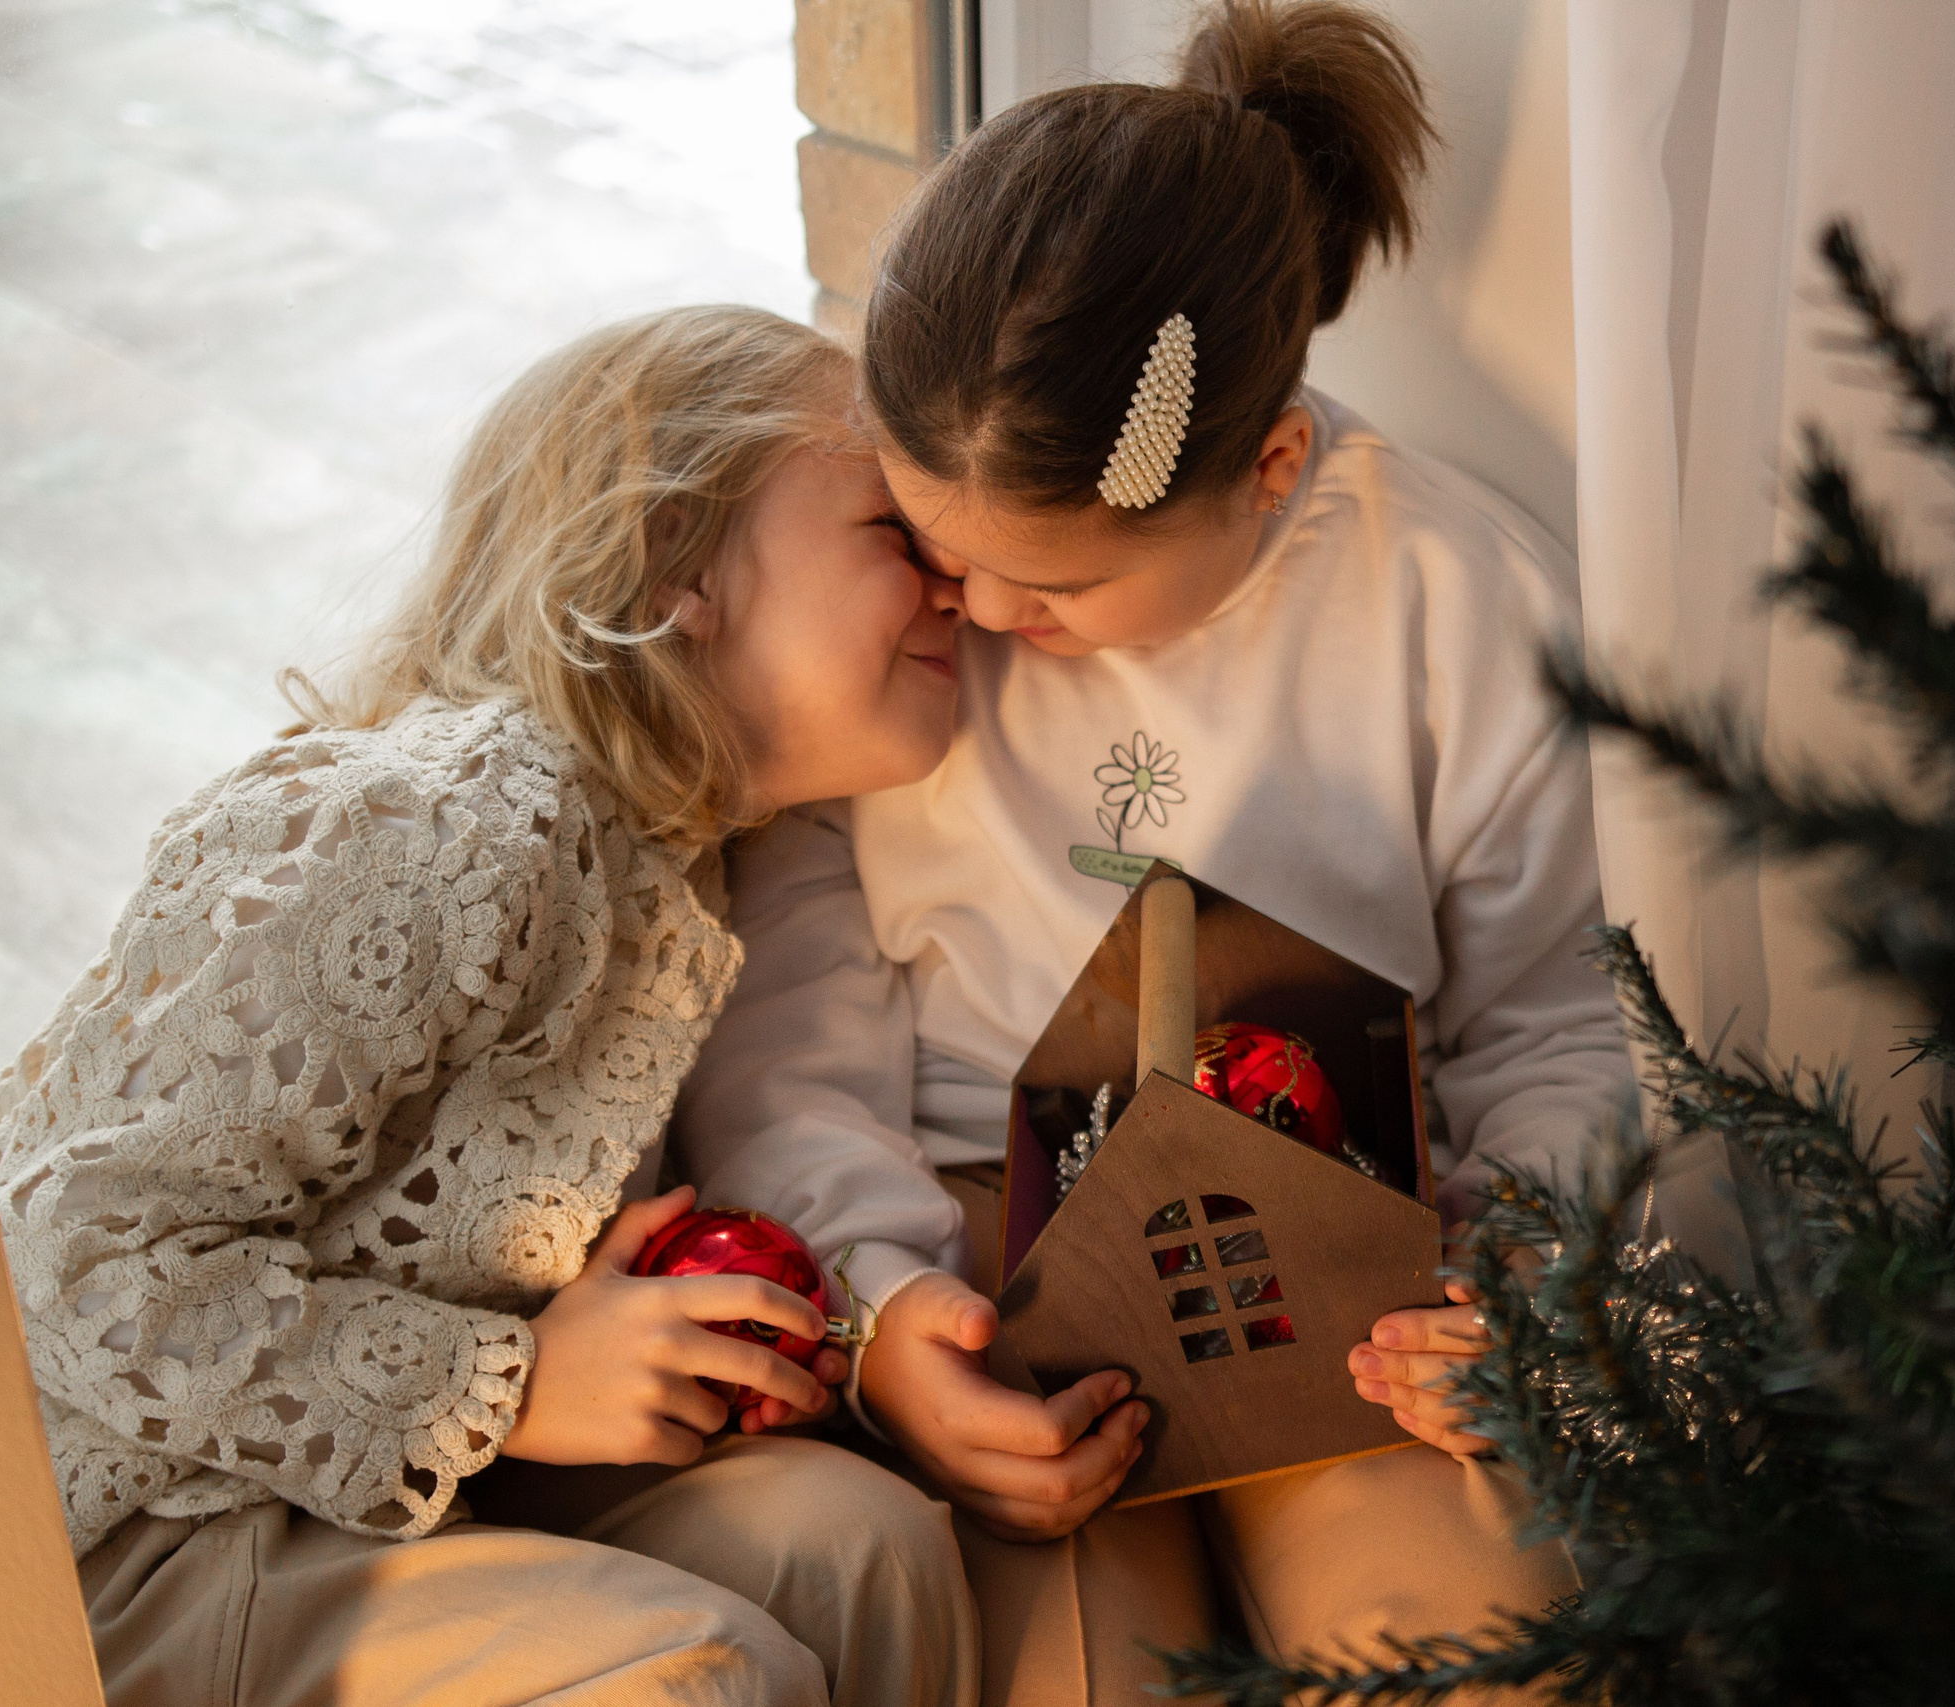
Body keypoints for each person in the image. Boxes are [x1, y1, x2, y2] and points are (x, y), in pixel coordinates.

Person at [673, 3, 1623, 1699]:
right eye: (930, 542)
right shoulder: (887, 626)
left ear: (1266, 471)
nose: (966, 610)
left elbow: (1561, 1010)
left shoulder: (1452, 598)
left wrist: (1522, 1266)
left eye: (1052, 587)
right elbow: (785, 1025)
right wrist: (888, 1322)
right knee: (1081, 1673)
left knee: (1477, 1657)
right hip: (973, 1250)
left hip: (1352, 1258)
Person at [0, 306, 980, 1707]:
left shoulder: (686, 871)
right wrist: (502, 1384)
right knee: (704, 1677)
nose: (957, 580)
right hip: (139, 1536)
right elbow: (62, 1258)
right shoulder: (442, 827)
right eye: (891, 528)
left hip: (395, 1495)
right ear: (675, 565)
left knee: (857, 1548)